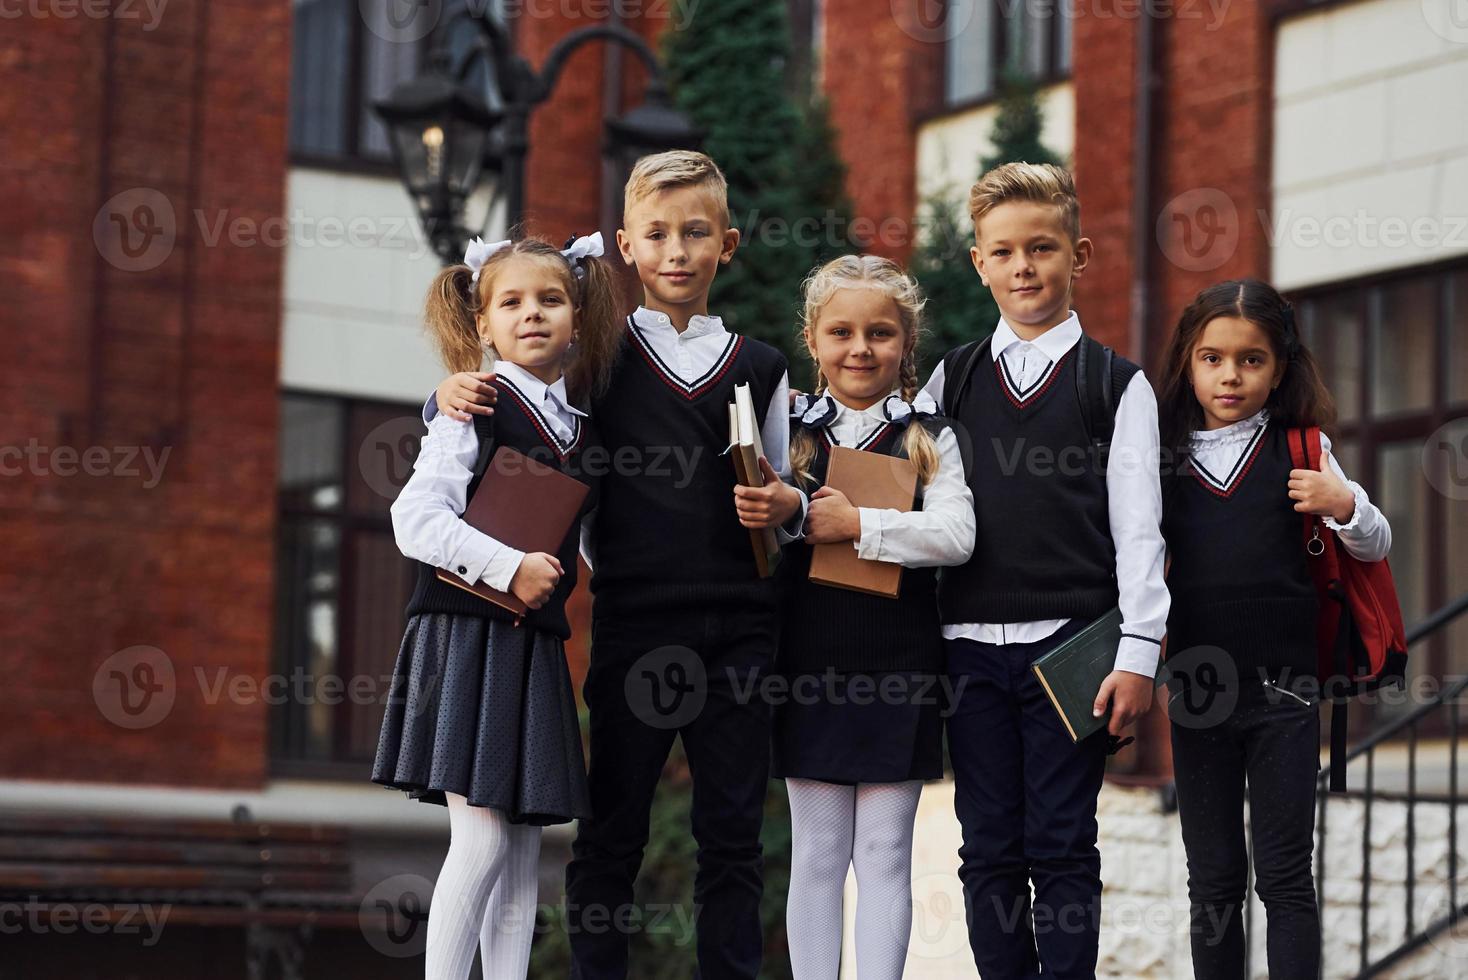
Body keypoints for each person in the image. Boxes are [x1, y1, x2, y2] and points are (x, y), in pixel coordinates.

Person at [430, 150, 807, 980]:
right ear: (626, 248)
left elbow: (779, 501)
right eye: (658, 234)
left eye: (696, 233)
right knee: (610, 833)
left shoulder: (764, 366)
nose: (677, 251)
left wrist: (785, 508)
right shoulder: (591, 357)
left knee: (733, 838)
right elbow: (515, 398)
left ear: (728, 245)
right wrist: (443, 395)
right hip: (635, 625)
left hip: (742, 630)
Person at [922, 161, 1169, 979]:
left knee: (1063, 844)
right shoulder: (949, 381)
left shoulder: (1115, 386)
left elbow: (1141, 534)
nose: (1024, 267)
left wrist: (1139, 654)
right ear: (979, 263)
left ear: (1080, 255)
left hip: (1073, 651)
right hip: (965, 651)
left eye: (1043, 248)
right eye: (1005, 251)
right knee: (987, 847)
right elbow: (914, 509)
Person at [372, 232, 620, 980]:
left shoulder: (582, 432)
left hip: (530, 647)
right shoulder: (470, 403)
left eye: (550, 300)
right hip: (463, 638)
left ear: (577, 316)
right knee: (479, 840)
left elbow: (588, 546)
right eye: (511, 302)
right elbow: (413, 521)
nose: (532, 314)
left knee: (519, 844)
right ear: (482, 325)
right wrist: (509, 566)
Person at [1156, 277, 1390, 980]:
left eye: (1252, 359)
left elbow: (1374, 544)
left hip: (1286, 691)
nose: (1231, 375)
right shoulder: (1161, 457)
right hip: (1197, 691)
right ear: (1188, 363)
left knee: (1286, 877)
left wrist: (1343, 502)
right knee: (1215, 880)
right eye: (1213, 358)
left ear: (1279, 367)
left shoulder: (1303, 449)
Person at [775, 254, 974, 979]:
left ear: (906, 343)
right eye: (842, 332)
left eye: (881, 334)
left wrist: (859, 525)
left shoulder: (932, 435)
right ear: (814, 339)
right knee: (820, 851)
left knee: (887, 850)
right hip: (808, 656)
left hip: (900, 659)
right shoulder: (787, 428)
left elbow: (957, 536)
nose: (861, 348)